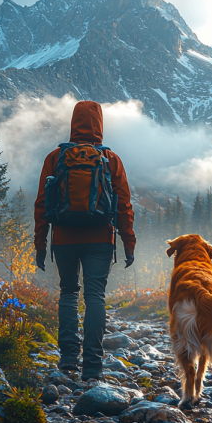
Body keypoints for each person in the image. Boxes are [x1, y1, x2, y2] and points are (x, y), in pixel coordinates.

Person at [34, 100, 136, 381]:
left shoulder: (55, 157)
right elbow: (124, 205)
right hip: (100, 239)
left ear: (73, 122)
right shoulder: (110, 159)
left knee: (68, 293)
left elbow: (42, 204)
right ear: (99, 124)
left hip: (64, 239)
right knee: (95, 297)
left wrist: (40, 245)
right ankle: (93, 366)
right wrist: (129, 243)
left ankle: (67, 359)